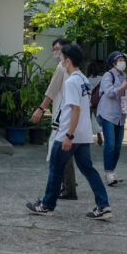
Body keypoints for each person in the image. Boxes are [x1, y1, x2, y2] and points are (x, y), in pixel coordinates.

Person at [25, 43, 112, 220]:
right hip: (83, 135)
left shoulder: (72, 81)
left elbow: (75, 109)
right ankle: (103, 206)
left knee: (55, 169)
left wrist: (68, 135)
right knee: (88, 170)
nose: (60, 60)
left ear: (69, 61)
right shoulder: (84, 80)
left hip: (69, 134)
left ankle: (47, 205)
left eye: (62, 57)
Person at [30, 37, 77, 199]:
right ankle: (68, 185)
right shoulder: (74, 71)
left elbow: (51, 91)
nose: (55, 53)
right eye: (54, 49)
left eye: (58, 49)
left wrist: (40, 109)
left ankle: (59, 190)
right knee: (68, 154)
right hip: (67, 116)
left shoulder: (61, 68)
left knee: (56, 152)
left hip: (61, 116)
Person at [96, 50, 127, 186]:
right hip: (108, 114)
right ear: (114, 62)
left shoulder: (124, 76)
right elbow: (110, 93)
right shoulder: (108, 75)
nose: (123, 62)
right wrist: (122, 87)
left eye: (124, 60)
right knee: (110, 145)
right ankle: (108, 173)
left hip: (120, 115)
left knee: (117, 146)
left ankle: (112, 171)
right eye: (120, 60)